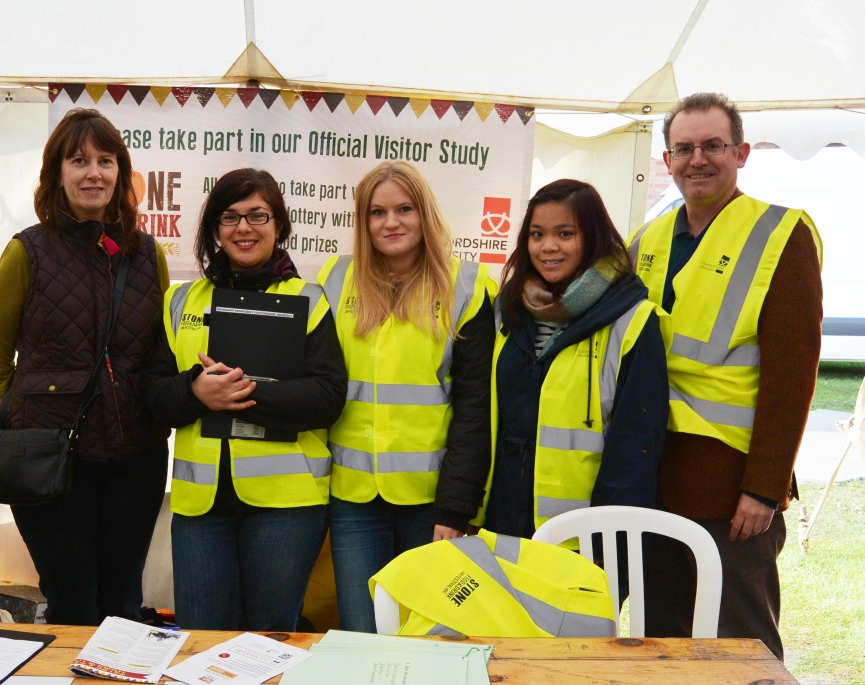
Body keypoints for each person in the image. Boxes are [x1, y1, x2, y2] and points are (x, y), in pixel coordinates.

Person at [627, 93, 823, 659]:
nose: (698, 160)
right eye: (684, 148)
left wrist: (764, 486)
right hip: (655, 478)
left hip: (732, 488)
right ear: (667, 160)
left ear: (741, 153)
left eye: (712, 146)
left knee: (740, 647)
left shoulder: (780, 235)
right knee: (664, 642)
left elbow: (793, 376)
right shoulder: (650, 238)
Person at [0, 108, 170, 626]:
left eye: (106, 161)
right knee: (73, 605)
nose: (94, 172)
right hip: (53, 464)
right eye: (78, 160)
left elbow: (157, 350)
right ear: (56, 174)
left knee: (122, 606)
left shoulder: (147, 254)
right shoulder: (27, 252)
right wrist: (30, 417)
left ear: (121, 173)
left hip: (136, 458)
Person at [143, 168, 346, 631]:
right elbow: (152, 394)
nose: (244, 228)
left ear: (279, 225)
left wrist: (239, 391)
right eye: (230, 217)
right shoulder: (181, 301)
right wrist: (194, 390)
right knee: (200, 638)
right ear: (215, 229)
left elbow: (328, 396)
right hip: (201, 508)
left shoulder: (309, 300)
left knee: (271, 638)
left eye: (258, 215)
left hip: (286, 508)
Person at [317, 160, 495, 632]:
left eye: (404, 209)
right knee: (363, 630)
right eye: (377, 212)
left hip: (431, 502)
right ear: (362, 221)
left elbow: (475, 411)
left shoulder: (468, 287)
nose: (391, 222)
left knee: (425, 634)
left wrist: (456, 509)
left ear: (425, 213)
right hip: (354, 496)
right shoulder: (335, 279)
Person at [484, 179, 669, 547]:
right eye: (537, 234)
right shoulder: (507, 310)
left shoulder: (633, 321)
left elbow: (635, 448)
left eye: (565, 233)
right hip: (501, 524)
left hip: (582, 538)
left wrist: (609, 547)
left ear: (593, 236)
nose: (548, 246)